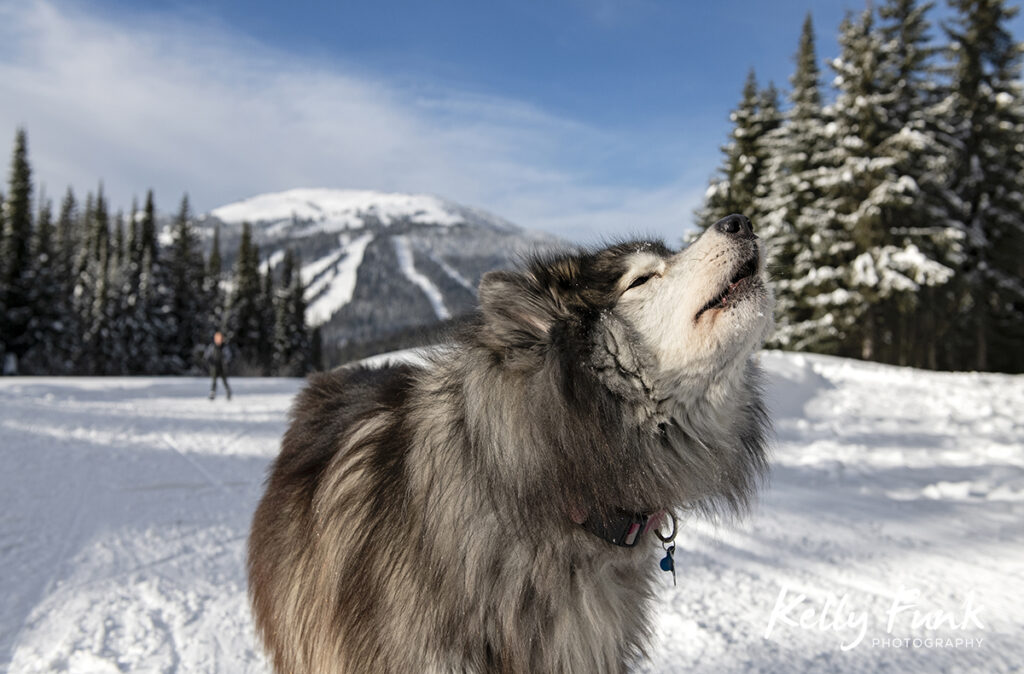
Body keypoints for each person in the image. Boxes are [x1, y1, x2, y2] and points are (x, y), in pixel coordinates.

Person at [205, 332, 233, 400]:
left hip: (222, 367)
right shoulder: (212, 346)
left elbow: (228, 356)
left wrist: (226, 362)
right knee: (214, 381)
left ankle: (228, 392)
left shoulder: (224, 347)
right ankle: (212, 393)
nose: (218, 340)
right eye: (217, 339)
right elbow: (207, 355)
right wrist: (210, 361)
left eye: (220, 339)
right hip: (214, 366)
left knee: (224, 381)